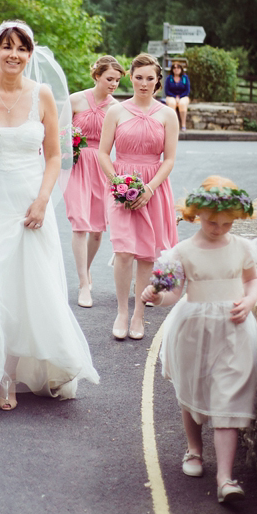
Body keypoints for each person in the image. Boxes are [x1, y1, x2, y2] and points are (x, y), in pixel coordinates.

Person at [0, 20, 99, 418]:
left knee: (25, 288)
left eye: (21, 48)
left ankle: (10, 373)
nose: (13, 54)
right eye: (7, 47)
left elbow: (55, 156)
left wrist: (42, 200)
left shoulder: (44, 96)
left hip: (30, 203)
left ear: (30, 55)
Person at [141, 176, 257, 504]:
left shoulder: (241, 248)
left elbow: (252, 281)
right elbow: (174, 294)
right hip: (194, 326)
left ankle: (226, 478)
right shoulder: (183, 251)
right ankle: (194, 450)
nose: (219, 228)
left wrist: (249, 301)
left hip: (234, 331)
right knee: (191, 389)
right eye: (212, 222)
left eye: (227, 223)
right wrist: (155, 297)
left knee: (228, 396)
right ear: (196, 214)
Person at [98, 53, 178, 341]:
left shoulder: (168, 114)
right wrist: (119, 183)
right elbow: (103, 154)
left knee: (146, 253)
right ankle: (121, 311)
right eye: (139, 77)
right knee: (123, 251)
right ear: (130, 77)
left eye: (150, 78)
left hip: (153, 188)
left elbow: (169, 160)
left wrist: (149, 188)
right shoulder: (116, 112)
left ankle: (139, 314)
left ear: (158, 81)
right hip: (121, 187)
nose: (144, 83)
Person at [63, 55, 125, 308]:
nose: (113, 84)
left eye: (118, 81)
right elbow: (59, 131)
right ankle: (83, 284)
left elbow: (120, 144)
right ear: (97, 75)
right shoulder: (75, 100)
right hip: (76, 165)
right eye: (110, 78)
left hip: (102, 166)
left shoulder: (117, 108)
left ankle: (86, 269)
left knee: (97, 229)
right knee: (79, 222)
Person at [164, 61, 191, 131]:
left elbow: (187, 90)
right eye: (174, 68)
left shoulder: (185, 78)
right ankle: (172, 125)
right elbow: (167, 91)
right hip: (171, 96)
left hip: (183, 96)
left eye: (178, 68)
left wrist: (179, 97)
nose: (176, 69)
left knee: (182, 104)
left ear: (181, 69)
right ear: (172, 69)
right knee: (172, 103)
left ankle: (183, 124)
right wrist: (174, 97)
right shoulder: (169, 78)